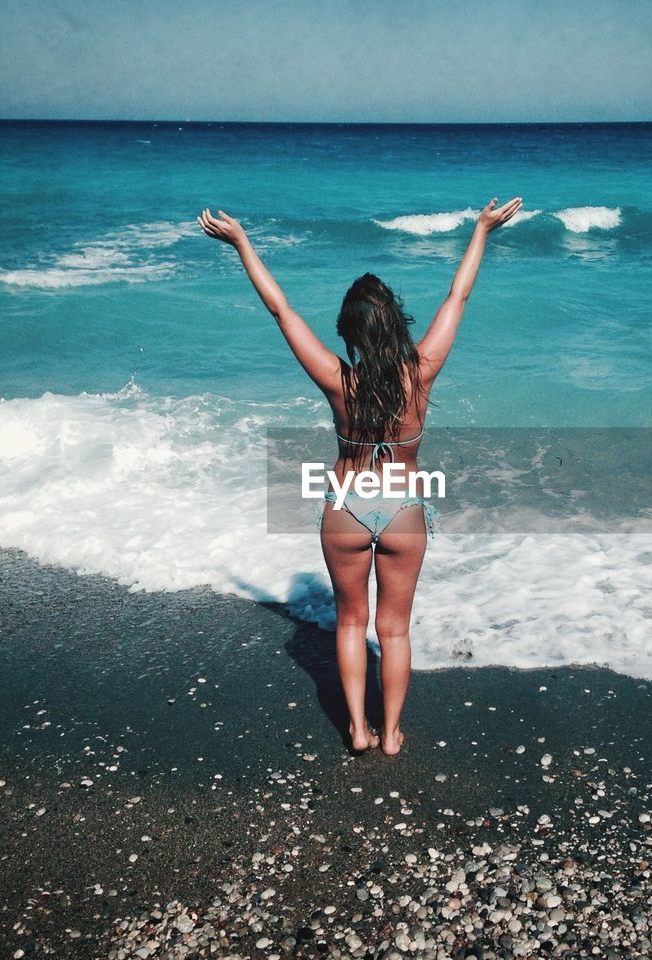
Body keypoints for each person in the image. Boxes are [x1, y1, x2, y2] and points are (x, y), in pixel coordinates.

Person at [198, 196, 522, 755]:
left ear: (347, 331)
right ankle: (392, 733)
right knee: (393, 629)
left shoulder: (335, 380)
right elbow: (458, 295)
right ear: (396, 324)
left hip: (346, 505)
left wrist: (243, 243)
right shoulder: (420, 374)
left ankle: (357, 730)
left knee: (350, 624)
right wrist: (481, 231)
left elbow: (281, 311)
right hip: (402, 509)